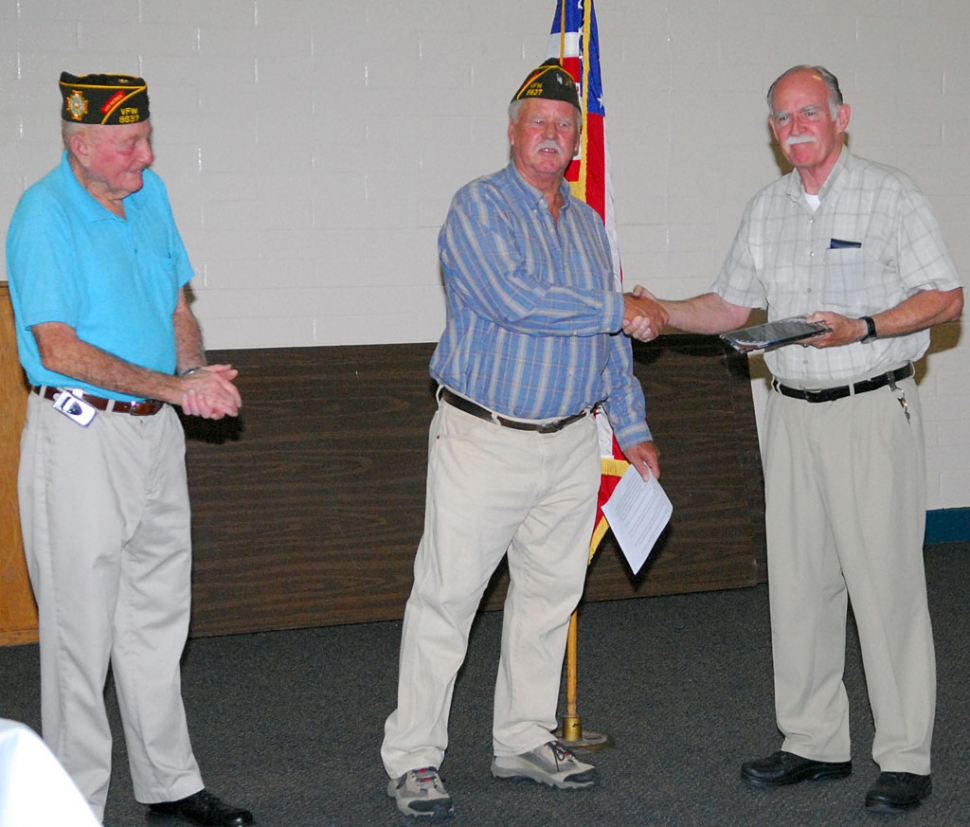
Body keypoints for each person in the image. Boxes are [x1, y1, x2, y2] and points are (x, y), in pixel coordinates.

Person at [626, 65, 963, 813]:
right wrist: (659, 310)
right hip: (789, 412)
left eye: (811, 111)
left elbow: (945, 296)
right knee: (802, 586)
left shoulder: (890, 193)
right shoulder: (766, 209)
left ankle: (905, 754)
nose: (797, 125)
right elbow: (729, 305)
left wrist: (865, 325)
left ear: (843, 116)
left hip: (870, 410)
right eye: (783, 117)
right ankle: (813, 741)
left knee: (887, 588)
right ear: (773, 133)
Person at [380, 59, 668, 818]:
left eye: (564, 127)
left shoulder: (588, 225)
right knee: (447, 600)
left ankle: (523, 737)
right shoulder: (477, 207)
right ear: (512, 132)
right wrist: (617, 305)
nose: (552, 136)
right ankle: (413, 757)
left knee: (548, 598)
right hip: (487, 438)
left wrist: (631, 426)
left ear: (576, 143)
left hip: (574, 441)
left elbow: (612, 345)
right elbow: (515, 301)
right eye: (538, 123)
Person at [6, 72, 253, 827]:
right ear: (81, 145)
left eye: (145, 139)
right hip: (79, 437)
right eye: (128, 144)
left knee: (156, 614)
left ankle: (169, 782)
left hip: (154, 431)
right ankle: (71, 805)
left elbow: (175, 303)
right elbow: (59, 348)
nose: (144, 156)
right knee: (79, 633)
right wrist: (177, 389)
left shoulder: (150, 196)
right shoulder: (43, 215)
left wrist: (189, 374)